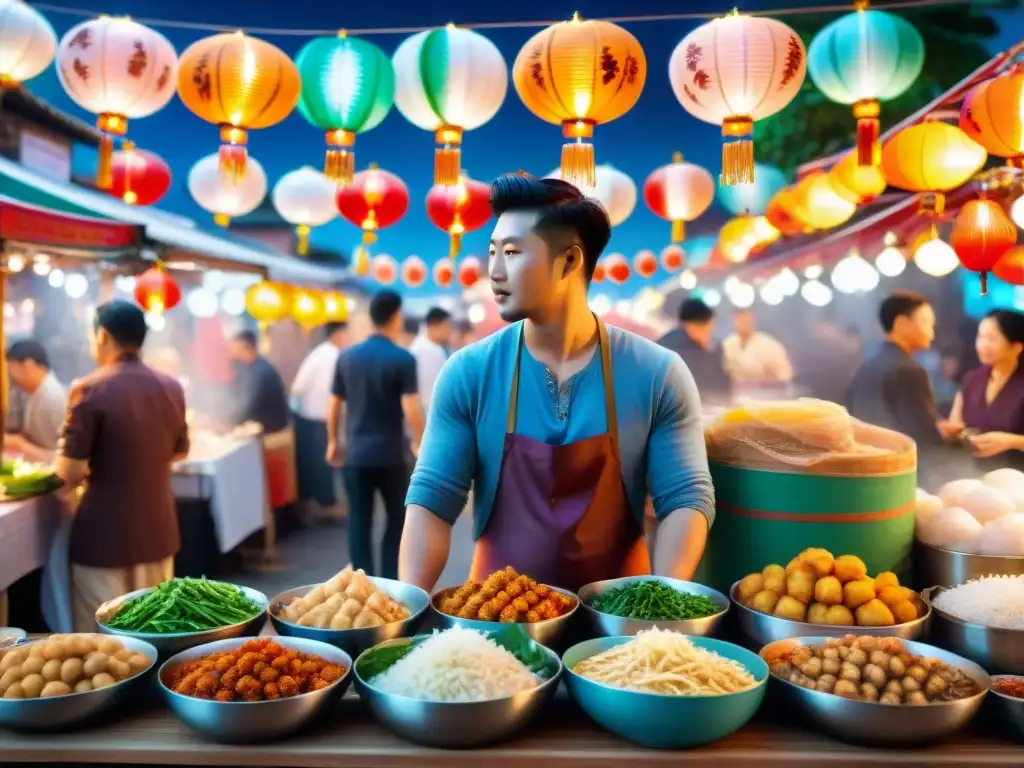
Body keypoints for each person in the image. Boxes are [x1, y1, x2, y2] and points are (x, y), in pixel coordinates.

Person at [399, 173, 714, 592]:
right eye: (492, 252)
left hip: (618, 627)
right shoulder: (469, 371)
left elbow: (686, 496)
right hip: (497, 628)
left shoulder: (657, 372)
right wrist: (404, 611)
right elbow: (432, 501)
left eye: (511, 252)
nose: (493, 271)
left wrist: (662, 604)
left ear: (569, 261)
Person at [55, 301, 189, 631]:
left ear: (102, 336)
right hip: (158, 530)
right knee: (157, 630)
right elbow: (180, 451)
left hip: (104, 535)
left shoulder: (89, 388)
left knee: (104, 637)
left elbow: (69, 471)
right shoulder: (171, 387)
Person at [327, 290, 425, 578]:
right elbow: (411, 409)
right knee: (397, 520)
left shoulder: (346, 357)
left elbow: (334, 406)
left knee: (359, 522)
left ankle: (362, 582)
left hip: (355, 456)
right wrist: (421, 444)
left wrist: (333, 441)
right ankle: (390, 582)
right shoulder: (403, 358)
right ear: (395, 317)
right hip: (391, 456)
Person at [846, 291, 945, 452]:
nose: (931, 333)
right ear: (901, 323)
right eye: (926, 322)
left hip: (866, 461)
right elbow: (923, 435)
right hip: (901, 465)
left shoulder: (867, 364)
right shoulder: (909, 370)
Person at [942, 309, 1024, 471]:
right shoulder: (972, 379)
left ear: (1017, 346)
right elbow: (956, 425)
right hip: (974, 473)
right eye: (980, 336)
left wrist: (1010, 441)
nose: (982, 345)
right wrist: (959, 433)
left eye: (992, 339)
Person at [290, 322, 347, 518]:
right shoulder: (332, 356)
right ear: (338, 334)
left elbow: (298, 387)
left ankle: (320, 505)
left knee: (316, 464)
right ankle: (325, 506)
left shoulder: (320, 354)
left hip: (310, 418)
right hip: (318, 419)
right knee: (323, 464)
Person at [657, 298, 731, 407]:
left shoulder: (711, 346)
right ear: (692, 325)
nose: (710, 331)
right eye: (708, 326)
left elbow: (723, 387)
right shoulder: (673, 347)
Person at [5, 340, 67, 461]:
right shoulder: (34, 392)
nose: (11, 377)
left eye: (11, 369)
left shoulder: (52, 397)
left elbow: (66, 457)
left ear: (29, 365)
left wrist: (20, 444)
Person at [227, 330, 291, 434]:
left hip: (272, 430)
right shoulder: (244, 367)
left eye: (233, 348)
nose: (230, 352)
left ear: (245, 347)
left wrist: (228, 420)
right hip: (255, 425)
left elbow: (250, 406)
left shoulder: (263, 372)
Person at [721, 309, 793, 397]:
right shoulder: (728, 344)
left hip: (765, 396)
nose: (742, 322)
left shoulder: (770, 345)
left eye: (746, 318)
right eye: (739, 318)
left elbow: (784, 375)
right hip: (735, 395)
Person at [408, 307, 453, 411]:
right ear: (434, 325)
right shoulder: (426, 351)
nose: (449, 332)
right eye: (447, 327)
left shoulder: (432, 347)